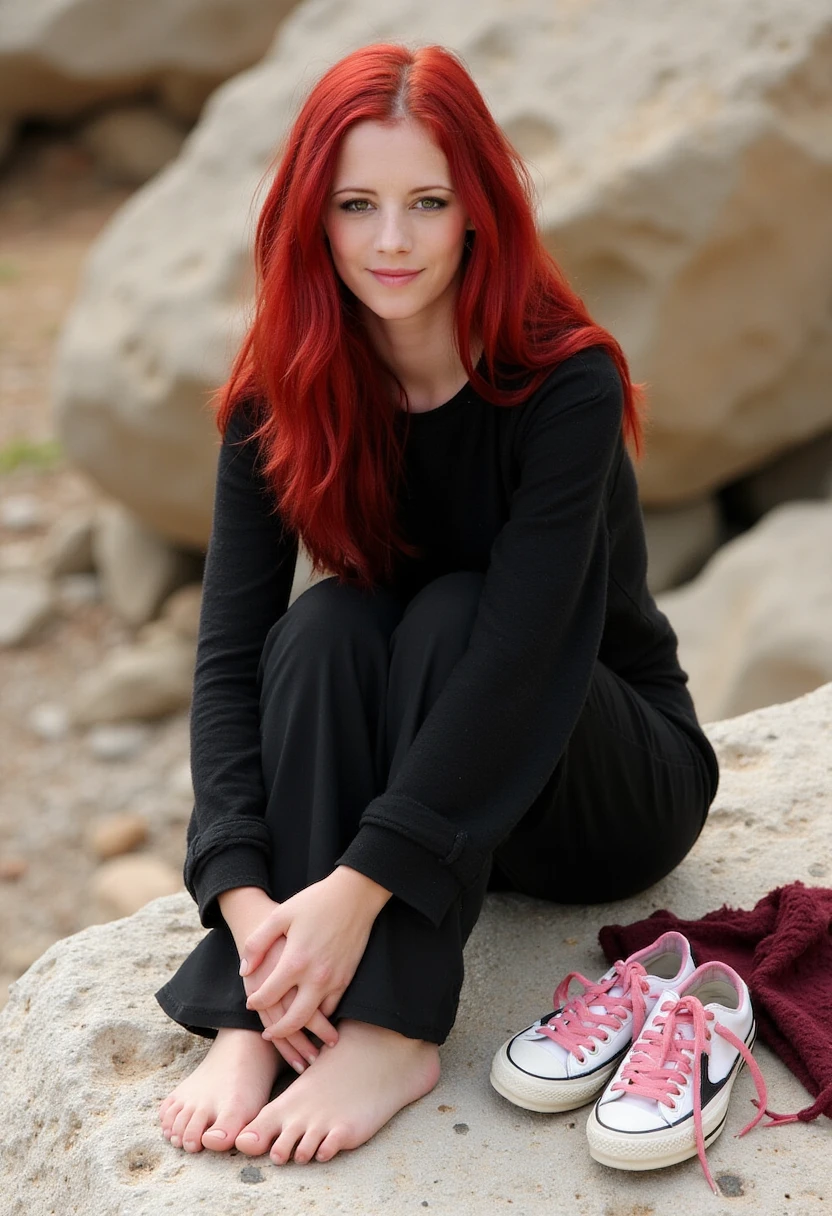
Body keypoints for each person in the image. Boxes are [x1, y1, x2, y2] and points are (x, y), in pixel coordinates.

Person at [155, 41, 719, 1167]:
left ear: (479, 210)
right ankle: (257, 1006)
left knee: (457, 610)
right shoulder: (283, 393)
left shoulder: (564, 382)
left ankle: (387, 1026)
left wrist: (353, 891)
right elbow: (229, 659)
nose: (394, 241)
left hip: (595, 776)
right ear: (311, 218)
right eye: (357, 205)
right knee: (325, 625)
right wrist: (248, 898)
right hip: (434, 793)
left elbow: (521, 665)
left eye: (427, 201)